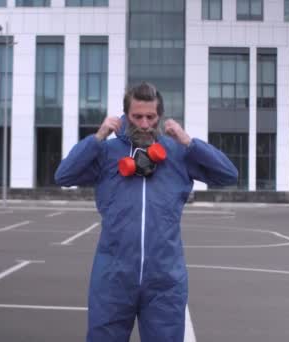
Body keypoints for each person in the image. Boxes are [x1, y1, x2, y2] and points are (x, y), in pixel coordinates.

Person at [54, 82, 238, 342]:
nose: (143, 124)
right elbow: (64, 175)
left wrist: (188, 142)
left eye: (150, 117)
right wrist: (97, 137)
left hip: (164, 279)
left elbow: (228, 175)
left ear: (159, 117)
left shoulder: (177, 153)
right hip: (113, 277)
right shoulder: (106, 152)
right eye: (136, 116)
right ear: (125, 116)